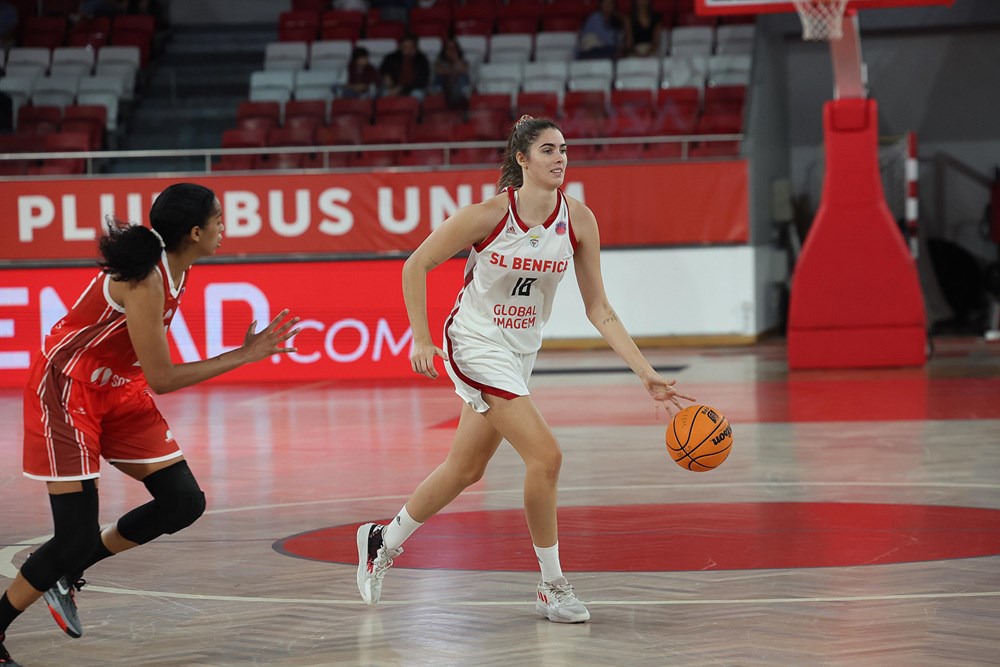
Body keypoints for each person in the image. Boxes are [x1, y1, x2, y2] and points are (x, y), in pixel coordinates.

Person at [355, 116, 695, 623]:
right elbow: (415, 265)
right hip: (474, 341)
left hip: (519, 350)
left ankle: (382, 539)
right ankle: (552, 586)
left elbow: (599, 307)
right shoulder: (489, 215)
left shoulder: (578, 219)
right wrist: (422, 338)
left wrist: (644, 371)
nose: (560, 158)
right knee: (547, 456)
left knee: (466, 469)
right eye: (548, 150)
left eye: (563, 149)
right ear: (522, 159)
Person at [0, 183, 299, 666]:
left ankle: (66, 571)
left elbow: (146, 372)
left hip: (117, 388)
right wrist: (244, 355)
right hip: (67, 388)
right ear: (195, 231)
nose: (226, 226)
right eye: (219, 219)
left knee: (183, 502)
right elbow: (162, 378)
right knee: (71, 534)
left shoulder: (176, 266)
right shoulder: (147, 277)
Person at [379, 33, 431, 98]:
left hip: (414, 89)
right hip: (393, 88)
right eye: (405, 47)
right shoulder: (391, 58)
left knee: (417, 94)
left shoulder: (422, 60)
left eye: (411, 47)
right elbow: (383, 72)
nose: (408, 50)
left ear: (416, 47)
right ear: (400, 46)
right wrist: (387, 79)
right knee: (384, 94)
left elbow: (422, 81)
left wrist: (402, 88)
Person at [432, 37, 471, 109]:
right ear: (444, 50)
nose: (451, 51)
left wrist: (455, 60)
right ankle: (439, 93)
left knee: (462, 77)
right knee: (440, 77)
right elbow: (438, 70)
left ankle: (463, 92)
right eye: (448, 48)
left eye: (453, 48)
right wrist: (454, 70)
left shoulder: (462, 61)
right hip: (444, 85)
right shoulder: (439, 61)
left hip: (457, 85)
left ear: (457, 49)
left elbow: (464, 69)